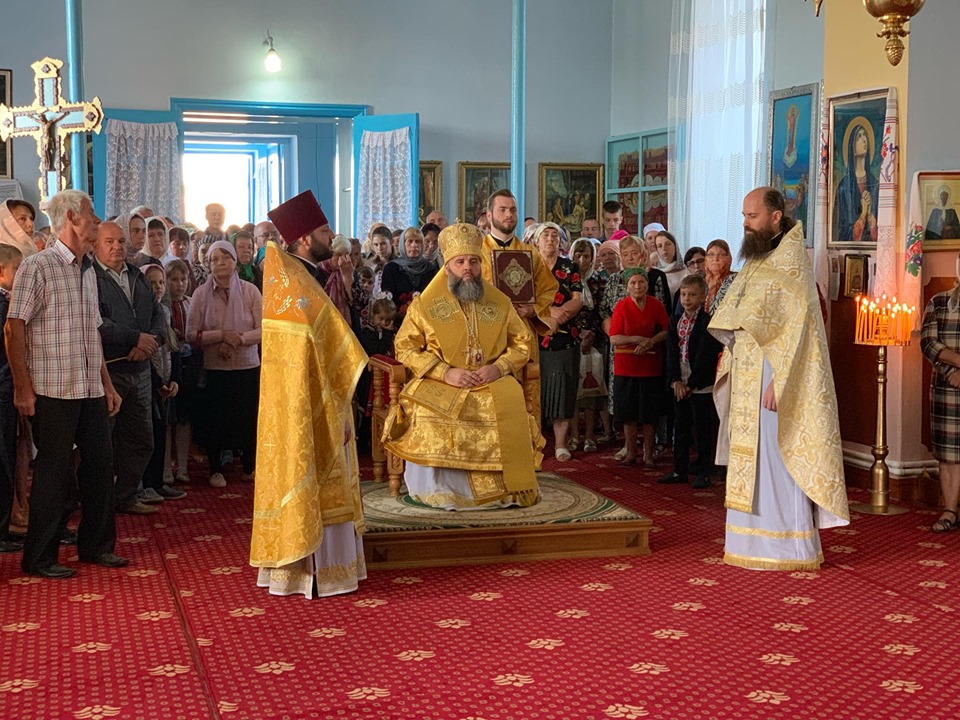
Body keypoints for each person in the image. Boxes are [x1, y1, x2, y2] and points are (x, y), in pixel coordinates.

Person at [710, 187, 849, 570]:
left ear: (775, 217)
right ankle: (748, 543)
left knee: (776, 457)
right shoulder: (758, 258)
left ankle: (788, 547)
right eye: (743, 215)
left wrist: (781, 380)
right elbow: (738, 314)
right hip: (748, 373)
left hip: (776, 376)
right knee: (750, 457)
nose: (745, 223)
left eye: (752, 216)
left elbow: (800, 331)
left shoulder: (791, 263)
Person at [7, 190, 127, 578]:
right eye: (91, 214)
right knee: (53, 473)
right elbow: (13, 327)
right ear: (73, 218)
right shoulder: (38, 266)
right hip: (52, 388)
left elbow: (93, 333)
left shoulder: (88, 270)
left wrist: (107, 385)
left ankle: (97, 546)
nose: (97, 221)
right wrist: (22, 387)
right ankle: (39, 556)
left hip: (89, 387)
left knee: (100, 467)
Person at [383, 223, 542, 510]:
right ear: (447, 267)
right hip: (439, 380)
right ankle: (441, 489)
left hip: (490, 379)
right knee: (427, 414)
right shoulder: (425, 305)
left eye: (473, 261)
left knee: (508, 405)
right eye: (460, 262)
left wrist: (499, 368)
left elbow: (522, 343)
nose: (467, 268)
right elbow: (405, 347)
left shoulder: (500, 302)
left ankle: (508, 489)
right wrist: (445, 372)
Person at [251, 240, 369, 598]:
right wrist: (335, 408)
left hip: (304, 400)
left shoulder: (295, 277)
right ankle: (316, 569)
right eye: (323, 231)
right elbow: (322, 348)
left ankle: (313, 568)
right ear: (304, 239)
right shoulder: (297, 283)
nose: (330, 238)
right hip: (315, 401)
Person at [93, 221, 167, 514]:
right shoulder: (91, 278)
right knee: (104, 441)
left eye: (121, 241)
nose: (117, 247)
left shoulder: (137, 274)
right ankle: (99, 502)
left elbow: (158, 315)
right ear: (96, 245)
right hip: (109, 370)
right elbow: (96, 322)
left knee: (141, 439)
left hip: (141, 370)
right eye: (109, 241)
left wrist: (150, 342)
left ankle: (125, 496)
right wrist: (134, 337)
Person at [187, 241, 262, 487]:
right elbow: (191, 334)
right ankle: (215, 469)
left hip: (246, 365)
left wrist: (237, 339)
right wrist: (221, 335)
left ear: (235, 261)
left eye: (226, 257)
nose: (220, 263)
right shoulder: (200, 294)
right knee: (216, 419)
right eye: (214, 259)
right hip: (215, 367)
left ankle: (249, 467)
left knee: (248, 417)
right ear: (208, 264)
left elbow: (264, 329)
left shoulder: (250, 291)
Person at [660, 274, 722, 488]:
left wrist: (691, 384)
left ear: (702, 297)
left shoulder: (707, 322)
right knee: (681, 427)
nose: (687, 299)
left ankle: (704, 471)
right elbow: (671, 351)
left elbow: (705, 356)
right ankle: (679, 469)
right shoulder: (675, 320)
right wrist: (676, 380)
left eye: (692, 295)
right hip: (680, 383)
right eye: (684, 294)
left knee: (702, 429)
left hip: (700, 384)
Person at [609, 268, 669, 468]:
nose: (637, 286)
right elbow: (614, 338)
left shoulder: (656, 304)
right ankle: (630, 453)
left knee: (650, 414)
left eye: (641, 282)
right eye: (633, 283)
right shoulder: (621, 306)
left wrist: (650, 342)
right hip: (626, 367)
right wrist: (637, 339)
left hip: (651, 366)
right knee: (628, 413)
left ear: (647, 285)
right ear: (627, 287)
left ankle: (648, 454)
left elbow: (667, 330)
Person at [140, 265, 186, 502]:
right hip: (148, 380)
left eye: (160, 283)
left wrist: (174, 379)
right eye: (151, 283)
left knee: (161, 433)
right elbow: (146, 353)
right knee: (146, 435)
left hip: (165, 380)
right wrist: (158, 382)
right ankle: (145, 484)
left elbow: (172, 347)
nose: (157, 287)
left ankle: (158, 482)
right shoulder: (140, 313)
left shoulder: (165, 311)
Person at [920, 258, 960, 532]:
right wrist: (955, 367)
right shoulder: (939, 301)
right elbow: (928, 343)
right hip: (948, 389)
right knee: (949, 455)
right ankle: (950, 511)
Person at [569, 238, 612, 452]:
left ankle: (589, 437)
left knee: (593, 389)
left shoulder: (600, 280)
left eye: (586, 256)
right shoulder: (567, 279)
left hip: (596, 339)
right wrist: (579, 334)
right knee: (574, 389)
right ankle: (573, 436)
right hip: (572, 338)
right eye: (578, 255)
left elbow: (603, 310)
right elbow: (564, 308)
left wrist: (591, 334)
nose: (582, 260)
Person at [0, 245, 23, 553]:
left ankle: (4, 527)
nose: (21, 276)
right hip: (3, 387)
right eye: (17, 270)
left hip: (7, 388)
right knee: (3, 462)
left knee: (7, 459)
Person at [268, 190, 334, 287]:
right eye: (325, 230)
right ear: (305, 240)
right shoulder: (295, 279)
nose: (332, 235)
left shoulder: (310, 272)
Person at [833, 122, 879, 243]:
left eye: (865, 135)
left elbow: (880, 236)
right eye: (859, 136)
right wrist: (863, 214)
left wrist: (870, 216)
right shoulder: (844, 187)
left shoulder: (875, 184)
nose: (864, 139)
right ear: (852, 149)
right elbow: (841, 232)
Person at [380, 226, 436, 321]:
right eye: (410, 241)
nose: (414, 245)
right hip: (398, 320)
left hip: (425, 320)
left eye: (418, 241)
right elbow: (387, 299)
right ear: (403, 244)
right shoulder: (391, 268)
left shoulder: (430, 269)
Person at [703, 239, 736, 314]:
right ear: (706, 259)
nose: (715, 259)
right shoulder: (697, 281)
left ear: (728, 258)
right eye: (711, 254)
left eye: (721, 254)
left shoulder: (736, 280)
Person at [656, 230, 689, 297]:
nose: (664, 249)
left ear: (675, 246)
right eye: (660, 246)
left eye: (668, 244)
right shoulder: (655, 274)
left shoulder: (687, 273)